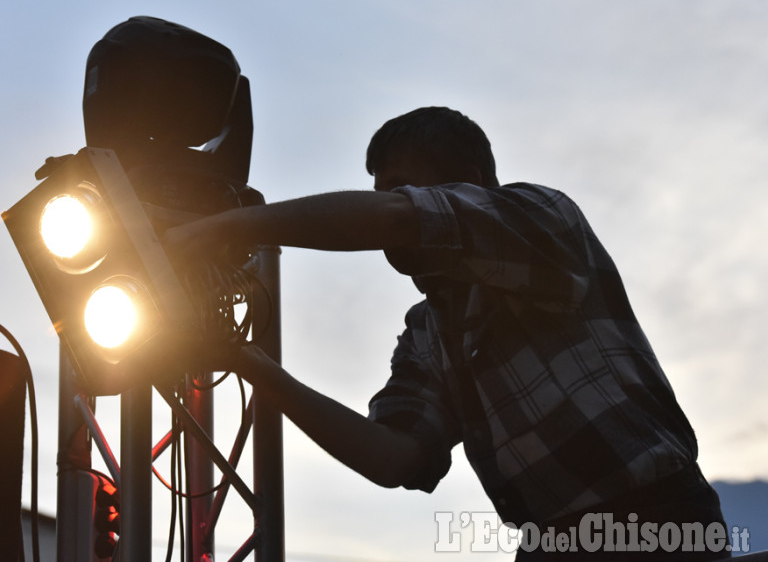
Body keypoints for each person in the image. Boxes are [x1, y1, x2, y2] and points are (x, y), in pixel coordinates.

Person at [164, 106, 730, 559]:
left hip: (658, 525)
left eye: (401, 186)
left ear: (471, 182)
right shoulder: (428, 332)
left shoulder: (543, 218)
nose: (387, 205)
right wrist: (247, 362)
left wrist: (228, 229)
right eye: (380, 189)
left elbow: (397, 220)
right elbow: (393, 459)